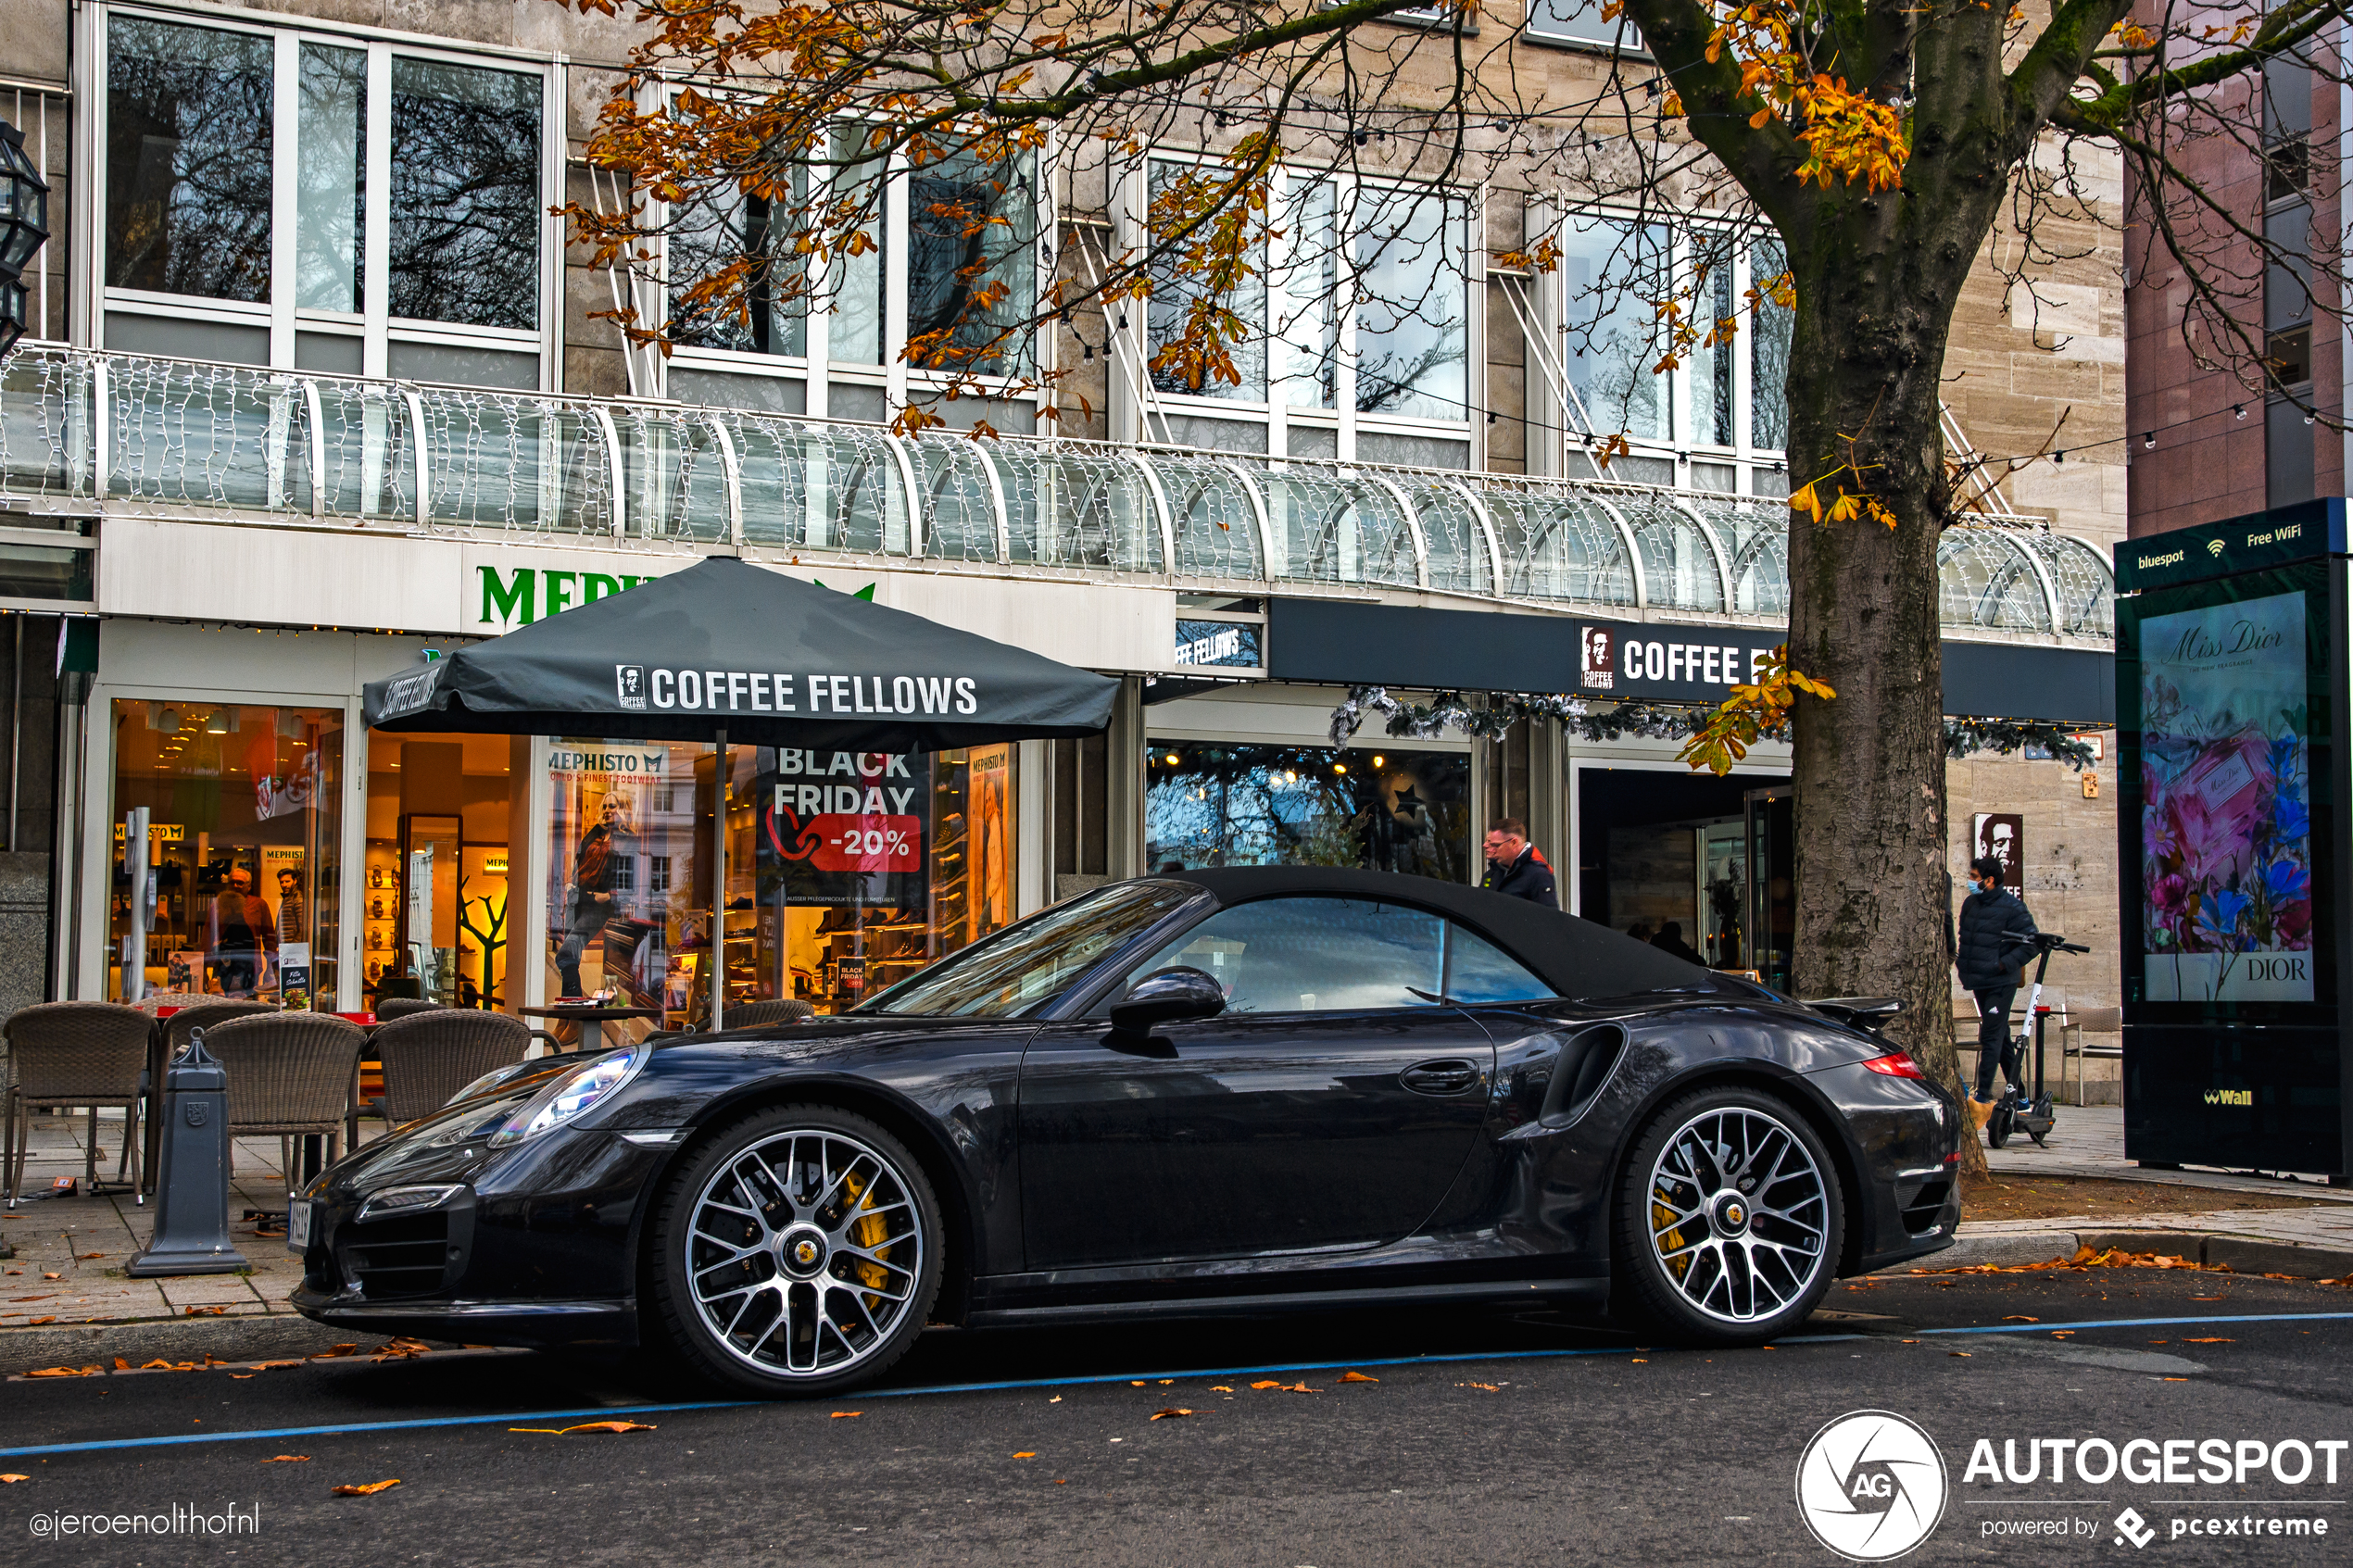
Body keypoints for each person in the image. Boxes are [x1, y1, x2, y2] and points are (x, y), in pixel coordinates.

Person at [1955, 852, 2039, 1130]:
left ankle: (1983, 1096)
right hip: (1979, 980)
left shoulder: (2012, 908)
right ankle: (2023, 1097)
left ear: (1989, 880)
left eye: (1974, 877)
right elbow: (1965, 937)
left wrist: (2004, 965)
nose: (1969, 881)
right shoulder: (1971, 904)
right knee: (2001, 1038)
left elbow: (2031, 943)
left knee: (1990, 1036)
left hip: (2000, 982)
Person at [557, 793, 632, 997]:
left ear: (623, 809)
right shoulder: (595, 834)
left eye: (613, 806)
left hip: (600, 904)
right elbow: (579, 862)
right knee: (571, 960)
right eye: (605, 806)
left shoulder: (626, 839)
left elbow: (631, 878)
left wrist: (609, 896)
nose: (607, 810)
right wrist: (570, 886)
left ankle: (573, 1015)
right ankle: (569, 1020)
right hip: (578, 898)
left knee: (565, 954)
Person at [209, 867, 271, 997]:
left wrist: (272, 966)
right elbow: (208, 934)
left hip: (250, 966)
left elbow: (269, 936)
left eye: (240, 882)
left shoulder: (259, 905)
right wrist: (204, 965)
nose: (236, 885)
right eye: (232, 882)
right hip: (223, 966)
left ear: (249, 886)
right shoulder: (219, 904)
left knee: (247, 1002)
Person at [1480, 818, 1558, 908]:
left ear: (1513, 843)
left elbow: (1548, 916)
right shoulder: (1493, 873)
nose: (1486, 846)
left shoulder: (1538, 874)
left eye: (1495, 845)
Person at [274, 867, 308, 947]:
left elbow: (303, 928)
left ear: (295, 881)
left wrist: (292, 947)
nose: (284, 885)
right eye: (281, 882)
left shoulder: (297, 898)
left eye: (287, 881)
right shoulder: (288, 898)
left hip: (292, 948)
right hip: (287, 946)